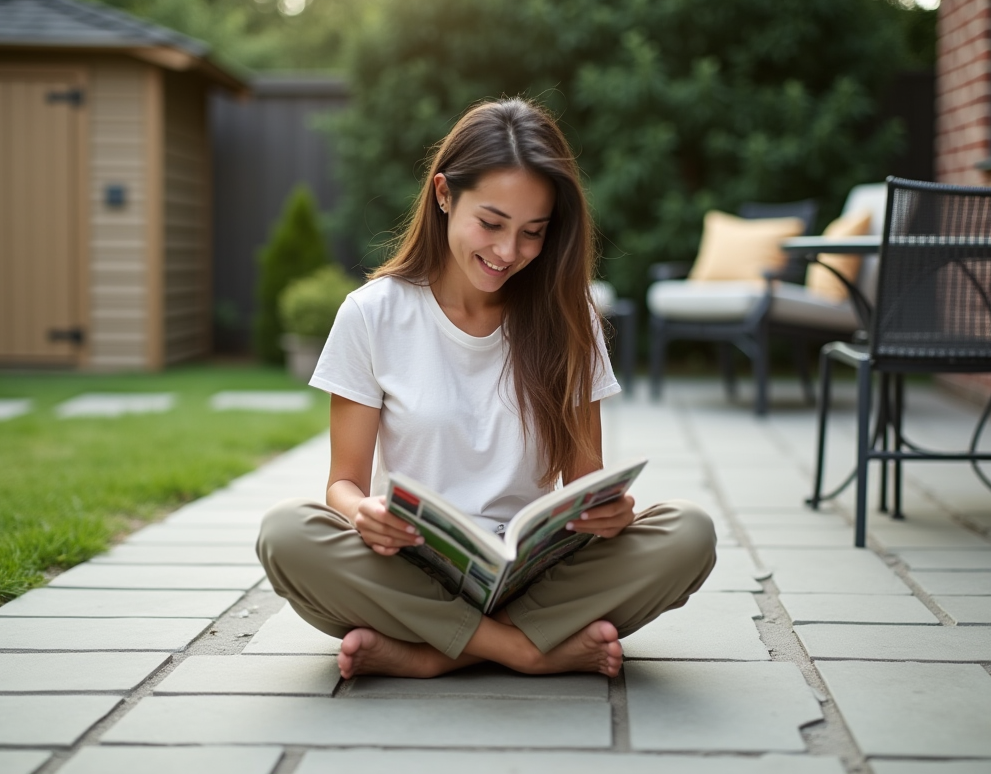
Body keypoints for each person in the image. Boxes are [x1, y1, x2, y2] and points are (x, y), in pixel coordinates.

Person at [257, 97, 717, 680]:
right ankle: (526, 650)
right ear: (445, 195)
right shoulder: (372, 314)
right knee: (287, 534)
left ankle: (428, 654)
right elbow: (342, 484)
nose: (507, 252)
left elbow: (584, 480)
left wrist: (610, 513)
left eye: (533, 233)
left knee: (689, 534)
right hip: (411, 567)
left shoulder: (570, 316)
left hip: (534, 573)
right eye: (491, 223)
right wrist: (364, 513)